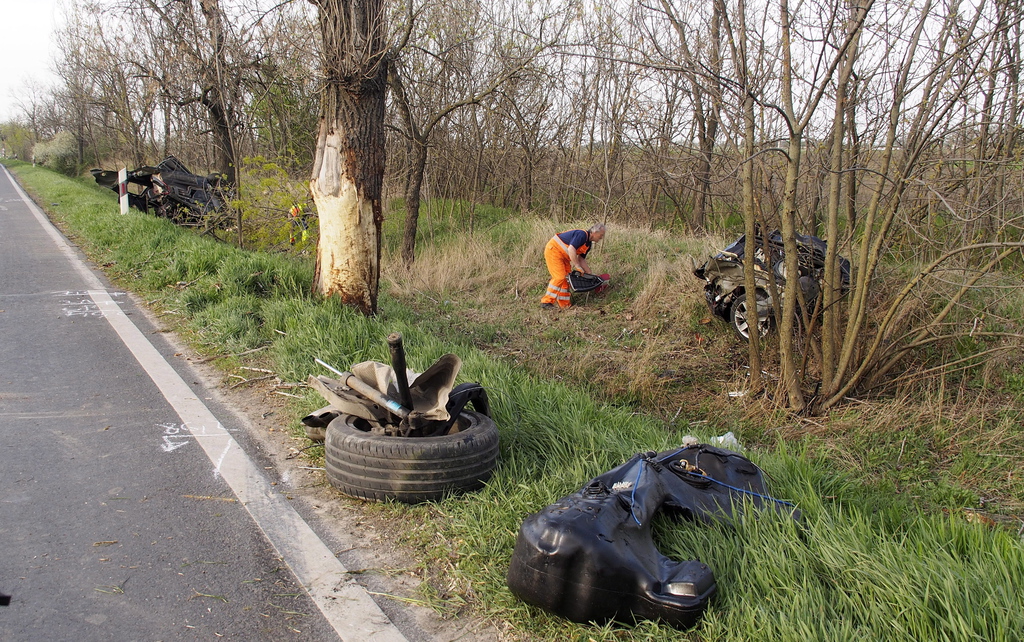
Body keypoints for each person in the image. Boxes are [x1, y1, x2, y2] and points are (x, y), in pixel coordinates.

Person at [540, 223, 606, 309]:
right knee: (559, 277)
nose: (601, 237)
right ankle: (546, 302)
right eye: (601, 235)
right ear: (594, 232)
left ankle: (565, 305)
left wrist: (590, 274)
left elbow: (581, 259)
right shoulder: (582, 235)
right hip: (554, 251)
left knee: (566, 279)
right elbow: (571, 249)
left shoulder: (588, 244)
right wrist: (577, 266)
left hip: (564, 257)